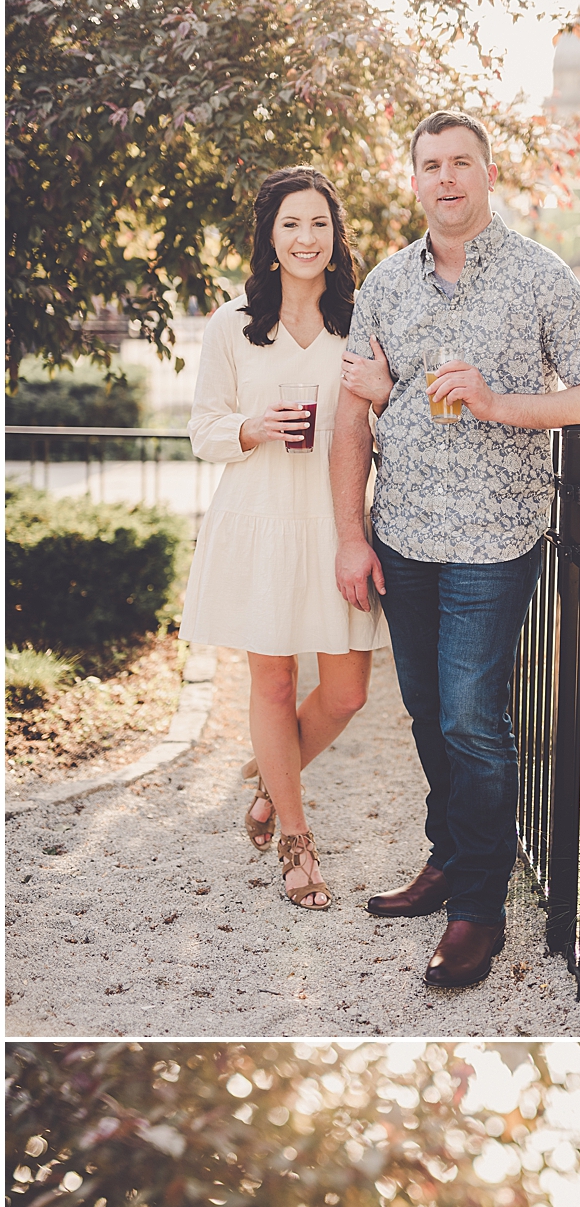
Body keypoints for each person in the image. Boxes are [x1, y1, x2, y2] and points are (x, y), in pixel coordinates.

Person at [330, 111, 580, 989]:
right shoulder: (386, 283)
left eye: (462, 162)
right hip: (406, 535)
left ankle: (478, 911)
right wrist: (352, 534)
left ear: (489, 175)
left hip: (495, 541)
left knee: (471, 718)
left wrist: (501, 402)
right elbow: (355, 412)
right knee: (426, 709)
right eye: (431, 166)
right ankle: (448, 860)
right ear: (414, 181)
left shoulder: (541, 278)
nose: (447, 178)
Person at [181, 168, 391, 910]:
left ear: (336, 239)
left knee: (346, 693)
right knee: (270, 683)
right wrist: (249, 428)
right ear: (270, 238)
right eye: (292, 225)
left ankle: (273, 784)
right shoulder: (231, 323)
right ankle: (298, 845)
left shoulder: (362, 321)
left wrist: (387, 398)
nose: (307, 239)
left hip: (336, 525)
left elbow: (381, 421)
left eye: (320, 226)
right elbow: (203, 428)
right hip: (258, 520)